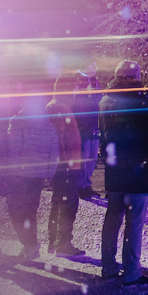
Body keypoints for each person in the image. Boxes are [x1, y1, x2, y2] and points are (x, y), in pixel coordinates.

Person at [99, 60, 148, 286]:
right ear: (136, 75)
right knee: (134, 222)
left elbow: (103, 135)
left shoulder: (105, 101)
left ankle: (108, 267)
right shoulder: (141, 101)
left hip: (115, 169)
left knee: (112, 220)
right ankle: (131, 272)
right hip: (137, 169)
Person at [5, 95, 59, 261]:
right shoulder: (50, 127)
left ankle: (29, 244)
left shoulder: (17, 123)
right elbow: (54, 153)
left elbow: (12, 150)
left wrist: (10, 172)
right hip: (37, 176)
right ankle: (30, 245)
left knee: (14, 209)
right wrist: (49, 174)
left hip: (20, 174)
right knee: (29, 211)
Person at [46, 73, 85, 257]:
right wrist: (66, 166)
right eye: (75, 87)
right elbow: (59, 140)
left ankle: (55, 242)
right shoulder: (58, 108)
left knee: (60, 201)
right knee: (67, 203)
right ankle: (63, 243)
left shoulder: (60, 106)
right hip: (66, 166)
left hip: (67, 165)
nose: (77, 91)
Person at [72, 60, 102, 200]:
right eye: (92, 64)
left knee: (91, 158)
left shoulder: (95, 82)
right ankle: (81, 185)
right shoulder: (79, 81)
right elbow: (78, 105)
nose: (94, 67)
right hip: (84, 125)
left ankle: (86, 184)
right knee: (84, 157)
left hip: (93, 124)